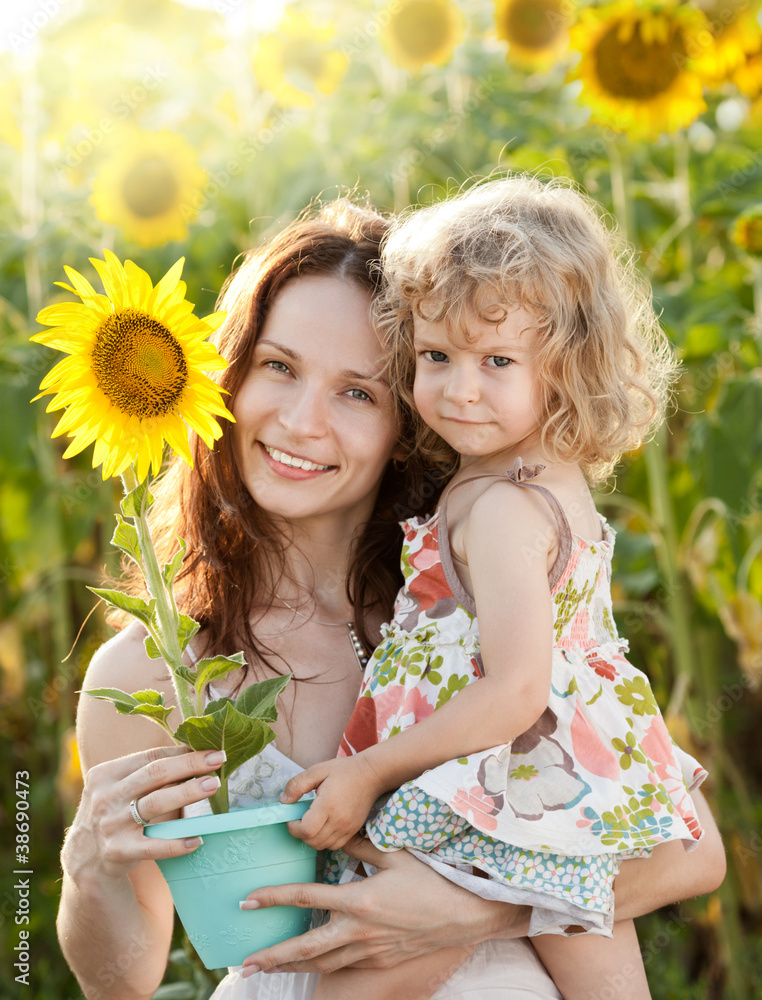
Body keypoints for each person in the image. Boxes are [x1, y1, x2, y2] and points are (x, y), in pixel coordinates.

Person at [57, 195, 726, 1000]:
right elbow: (120, 984)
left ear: (407, 418)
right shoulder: (150, 670)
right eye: (278, 366)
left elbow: (692, 853)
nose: (302, 421)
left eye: (359, 393)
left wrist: (469, 913)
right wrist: (86, 861)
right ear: (226, 376)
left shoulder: (460, 611)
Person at [277, 178, 714, 1000]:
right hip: (562, 775)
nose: (460, 388)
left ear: (570, 367)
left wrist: (370, 772)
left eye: (498, 361)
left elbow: (516, 689)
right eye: (436, 356)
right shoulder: (543, 478)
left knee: (361, 974)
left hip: (497, 777)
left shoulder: (506, 506)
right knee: (605, 971)